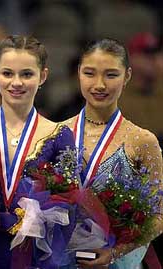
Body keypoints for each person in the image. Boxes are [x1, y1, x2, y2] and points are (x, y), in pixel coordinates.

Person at [63, 38, 163, 268]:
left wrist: (116, 252)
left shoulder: (143, 141)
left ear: (127, 76)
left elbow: (158, 217)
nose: (99, 85)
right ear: (78, 73)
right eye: (90, 73)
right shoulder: (57, 133)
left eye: (111, 75)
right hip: (62, 261)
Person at [0, 35, 76, 269]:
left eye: (26, 74)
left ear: (43, 76)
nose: (16, 82)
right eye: (7, 73)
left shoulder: (59, 134)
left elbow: (69, 201)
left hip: (36, 254)